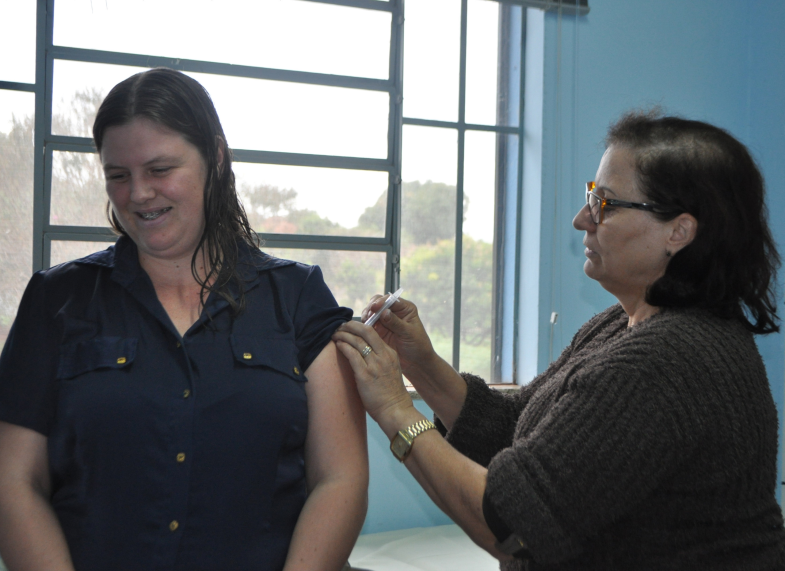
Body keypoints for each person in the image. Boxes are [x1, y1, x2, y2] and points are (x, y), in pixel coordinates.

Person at [333, 110, 785, 570]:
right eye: (592, 197)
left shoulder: (663, 364)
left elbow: (508, 526)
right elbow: (517, 431)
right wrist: (421, 364)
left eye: (605, 204)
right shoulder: (621, 325)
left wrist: (395, 410)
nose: (581, 220)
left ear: (679, 231)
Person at [0, 68, 368, 571]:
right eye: (118, 176)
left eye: (160, 169)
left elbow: (339, 477)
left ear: (216, 157)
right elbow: (14, 482)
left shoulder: (298, 298)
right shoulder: (57, 299)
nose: (139, 193)